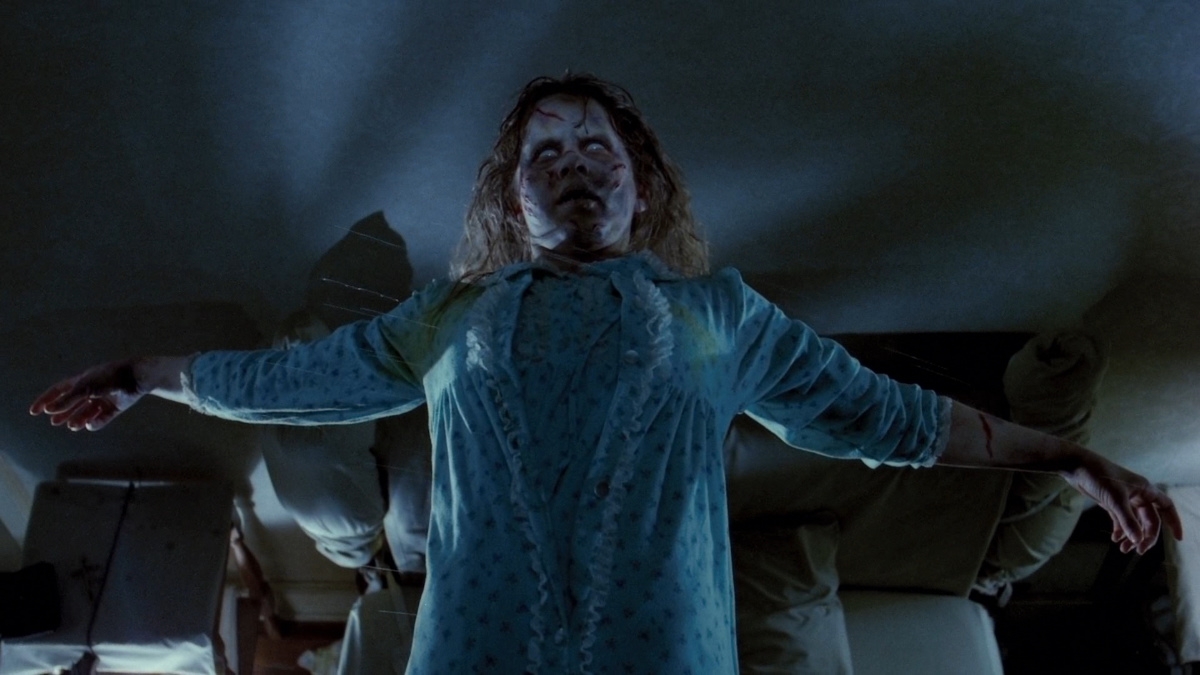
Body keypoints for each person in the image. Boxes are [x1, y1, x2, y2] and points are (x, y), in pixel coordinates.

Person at [31, 74, 1183, 674]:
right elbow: (302, 381)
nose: (574, 163)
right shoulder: (451, 317)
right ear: (514, 193)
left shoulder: (717, 319)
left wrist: (1065, 456)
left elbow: (886, 418)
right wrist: (153, 373)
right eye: (546, 150)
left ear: (642, 185)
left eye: (599, 146)